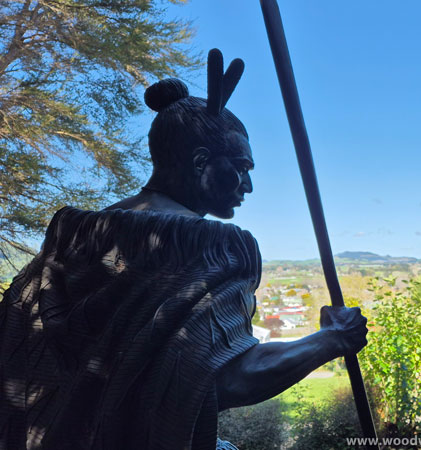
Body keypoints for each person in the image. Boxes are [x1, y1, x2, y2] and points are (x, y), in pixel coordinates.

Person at [0, 49, 368, 450]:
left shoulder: (73, 235)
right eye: (241, 168)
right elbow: (232, 378)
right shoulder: (208, 247)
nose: (248, 186)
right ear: (200, 162)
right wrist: (333, 338)